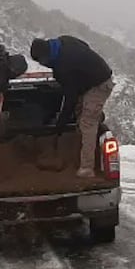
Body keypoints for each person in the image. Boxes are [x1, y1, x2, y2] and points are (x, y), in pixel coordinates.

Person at [30, 35, 115, 178]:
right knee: (80, 113)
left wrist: (60, 126)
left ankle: (86, 168)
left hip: (100, 83)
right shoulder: (64, 40)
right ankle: (79, 146)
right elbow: (84, 44)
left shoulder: (64, 66)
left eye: (41, 62)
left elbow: (70, 99)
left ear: (45, 57)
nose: (43, 65)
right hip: (87, 82)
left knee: (87, 122)